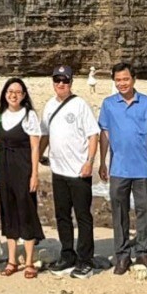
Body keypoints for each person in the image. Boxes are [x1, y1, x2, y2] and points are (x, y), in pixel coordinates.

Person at [98, 62, 147, 275]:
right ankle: (122, 255)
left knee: (145, 212)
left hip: (144, 168)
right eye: (118, 80)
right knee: (119, 213)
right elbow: (104, 134)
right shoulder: (108, 104)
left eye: (125, 79)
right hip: (118, 169)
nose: (122, 83)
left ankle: (143, 251)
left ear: (133, 79)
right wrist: (102, 162)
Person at [40, 65, 100, 279]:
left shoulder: (80, 105)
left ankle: (86, 260)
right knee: (62, 215)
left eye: (65, 80)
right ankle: (67, 255)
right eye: (57, 80)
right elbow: (45, 134)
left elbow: (93, 135)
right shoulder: (49, 105)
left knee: (83, 216)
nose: (61, 84)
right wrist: (37, 156)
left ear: (71, 82)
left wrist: (90, 162)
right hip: (58, 171)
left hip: (79, 172)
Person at [0, 78, 45, 279]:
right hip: (5, 169)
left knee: (26, 210)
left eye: (18, 92)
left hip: (23, 168)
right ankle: (12, 260)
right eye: (10, 91)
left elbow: (35, 147)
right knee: (8, 210)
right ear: (5, 94)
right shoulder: (0, 115)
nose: (13, 95)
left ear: (24, 95)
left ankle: (29, 261)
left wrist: (34, 174)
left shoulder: (29, 115)